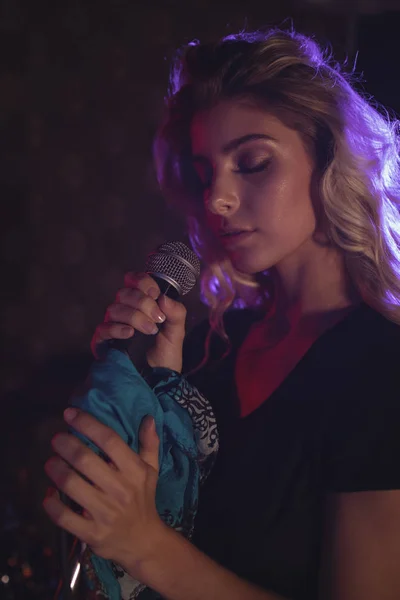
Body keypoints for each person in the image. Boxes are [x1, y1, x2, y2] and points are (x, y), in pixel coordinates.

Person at [43, 28, 400, 600]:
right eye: (206, 172)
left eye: (254, 163)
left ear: (330, 159)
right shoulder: (214, 344)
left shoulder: (383, 366)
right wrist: (148, 389)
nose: (216, 200)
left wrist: (146, 547)